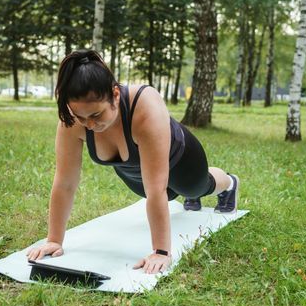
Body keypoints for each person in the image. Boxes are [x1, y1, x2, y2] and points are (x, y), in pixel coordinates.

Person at [26, 50, 239, 274]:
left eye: (96, 115)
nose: (88, 124)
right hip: (135, 173)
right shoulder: (72, 120)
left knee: (197, 188)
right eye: (81, 117)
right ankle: (185, 194)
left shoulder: (145, 104)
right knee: (166, 196)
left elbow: (155, 187)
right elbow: (65, 183)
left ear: (115, 94)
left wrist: (161, 252)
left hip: (181, 158)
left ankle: (229, 183)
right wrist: (54, 240)